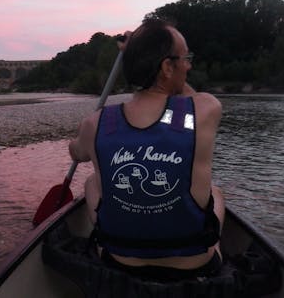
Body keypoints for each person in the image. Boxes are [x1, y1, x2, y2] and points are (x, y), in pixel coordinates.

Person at [68, 18, 225, 281]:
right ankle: (214, 252)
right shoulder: (206, 110)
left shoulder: (95, 124)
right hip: (193, 264)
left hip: (120, 259)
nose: (189, 65)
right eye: (185, 58)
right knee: (215, 192)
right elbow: (188, 102)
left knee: (93, 182)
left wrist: (135, 55)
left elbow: (77, 153)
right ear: (167, 66)